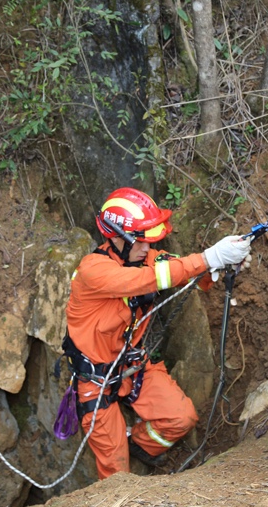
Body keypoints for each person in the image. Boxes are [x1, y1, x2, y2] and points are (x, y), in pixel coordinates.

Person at [63, 187, 252, 479]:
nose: (147, 248)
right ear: (116, 237)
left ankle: (139, 446)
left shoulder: (147, 258)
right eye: (141, 241)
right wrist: (207, 258)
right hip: (96, 381)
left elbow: (184, 270)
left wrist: (221, 264)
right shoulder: (94, 271)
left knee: (182, 418)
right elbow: (147, 279)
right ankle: (121, 468)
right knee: (115, 475)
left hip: (132, 366)